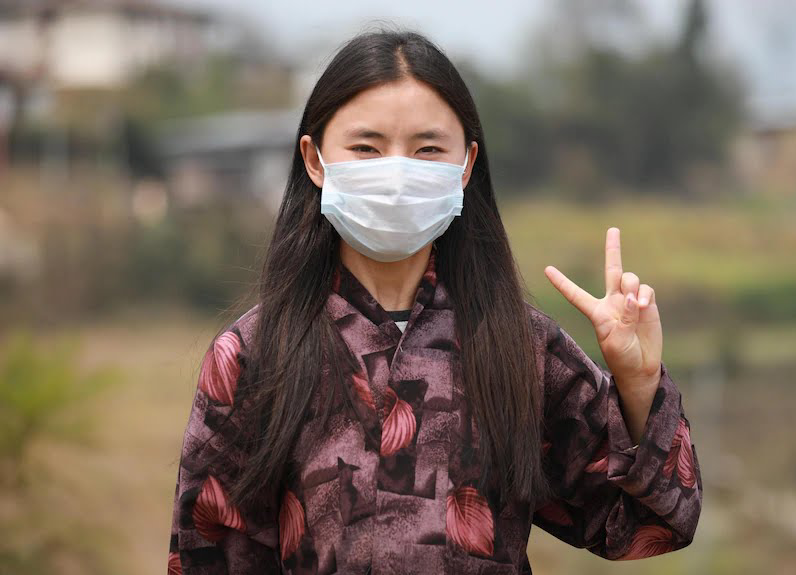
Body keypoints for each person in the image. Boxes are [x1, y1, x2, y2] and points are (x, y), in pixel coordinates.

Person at [167, 29, 702, 575]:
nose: (397, 174)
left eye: (427, 149)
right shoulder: (254, 355)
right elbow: (208, 554)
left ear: (465, 166)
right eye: (366, 148)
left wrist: (639, 385)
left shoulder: (521, 349)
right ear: (315, 159)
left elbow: (647, 526)